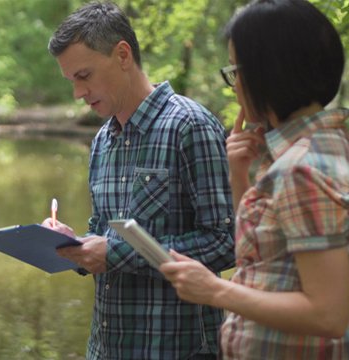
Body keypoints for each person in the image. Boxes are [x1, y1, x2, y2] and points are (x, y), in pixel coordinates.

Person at [159, 0, 349, 358]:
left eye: (236, 71)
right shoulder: (335, 143)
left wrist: (213, 290)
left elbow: (328, 314)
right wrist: (240, 174)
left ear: (268, 72)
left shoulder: (302, 168)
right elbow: (269, 256)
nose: (234, 86)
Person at [43, 2, 236, 359]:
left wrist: (115, 253)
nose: (77, 94)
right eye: (71, 82)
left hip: (178, 348)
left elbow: (225, 243)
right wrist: (75, 244)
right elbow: (103, 235)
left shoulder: (190, 126)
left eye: (84, 76)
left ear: (122, 55)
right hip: (107, 349)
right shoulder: (102, 140)